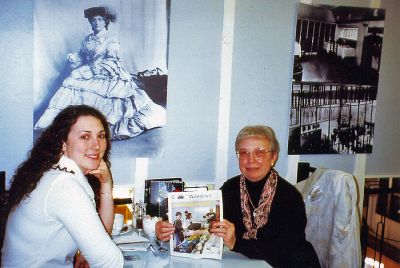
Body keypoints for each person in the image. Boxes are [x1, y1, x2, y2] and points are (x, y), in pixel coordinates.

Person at [155, 125, 320, 267]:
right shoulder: (230, 188)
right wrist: (166, 230)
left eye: (260, 152)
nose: (251, 159)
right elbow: (206, 221)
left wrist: (236, 242)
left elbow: (285, 250)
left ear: (273, 157)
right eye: (244, 153)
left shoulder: (289, 196)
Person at [2, 105, 124, 267]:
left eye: (101, 136)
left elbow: (102, 236)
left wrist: (106, 185)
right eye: (85, 137)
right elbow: (110, 261)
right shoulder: (64, 186)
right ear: (63, 144)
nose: (96, 145)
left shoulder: (53, 173)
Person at [34, 6, 166, 140]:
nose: (96, 22)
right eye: (93, 20)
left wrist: (90, 72)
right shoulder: (88, 39)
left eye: (100, 19)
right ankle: (75, 126)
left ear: (105, 22)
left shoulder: (111, 41)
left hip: (107, 74)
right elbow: (82, 56)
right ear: (90, 22)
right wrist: (75, 58)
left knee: (103, 97)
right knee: (70, 82)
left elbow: (112, 61)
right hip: (88, 72)